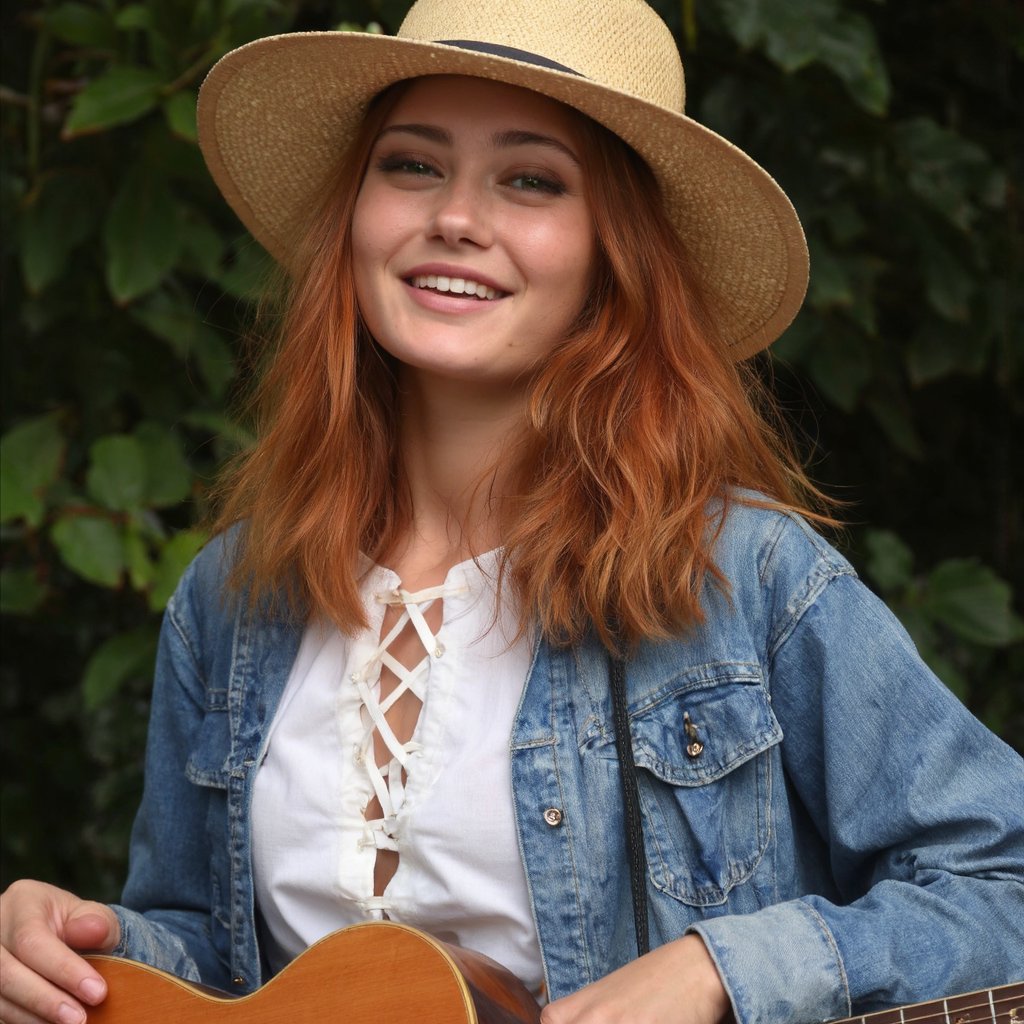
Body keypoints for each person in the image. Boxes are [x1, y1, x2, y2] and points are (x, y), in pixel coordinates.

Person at [2, 1, 1022, 1022]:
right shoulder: (234, 594)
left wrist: (719, 967)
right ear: (354, 214)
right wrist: (77, 950)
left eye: (530, 179)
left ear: (612, 252)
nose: (455, 216)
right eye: (411, 165)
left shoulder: (745, 576)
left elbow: (1003, 881)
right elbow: (211, 964)